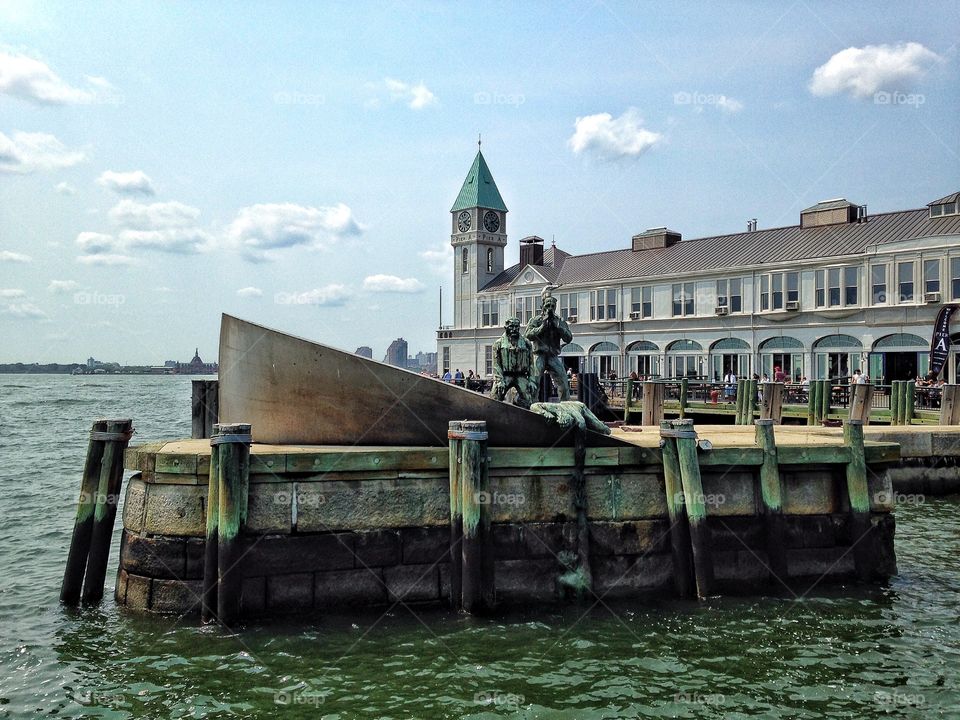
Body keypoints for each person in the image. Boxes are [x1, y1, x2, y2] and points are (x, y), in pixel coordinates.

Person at [525, 288, 573, 400]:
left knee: (563, 382)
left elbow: (568, 338)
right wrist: (542, 327)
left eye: (552, 306)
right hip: (539, 355)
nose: (550, 308)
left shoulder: (559, 321)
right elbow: (528, 334)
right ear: (542, 307)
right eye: (547, 305)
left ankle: (566, 406)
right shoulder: (536, 320)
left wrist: (559, 327)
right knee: (534, 381)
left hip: (553, 356)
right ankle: (532, 405)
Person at [491, 316, 537, 408]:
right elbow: (496, 364)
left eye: (516, 327)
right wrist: (499, 380)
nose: (514, 329)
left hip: (521, 376)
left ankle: (519, 403)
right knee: (495, 396)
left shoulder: (526, 343)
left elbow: (531, 363)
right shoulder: (498, 343)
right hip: (505, 376)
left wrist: (532, 380)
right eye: (511, 327)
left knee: (529, 399)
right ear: (506, 328)